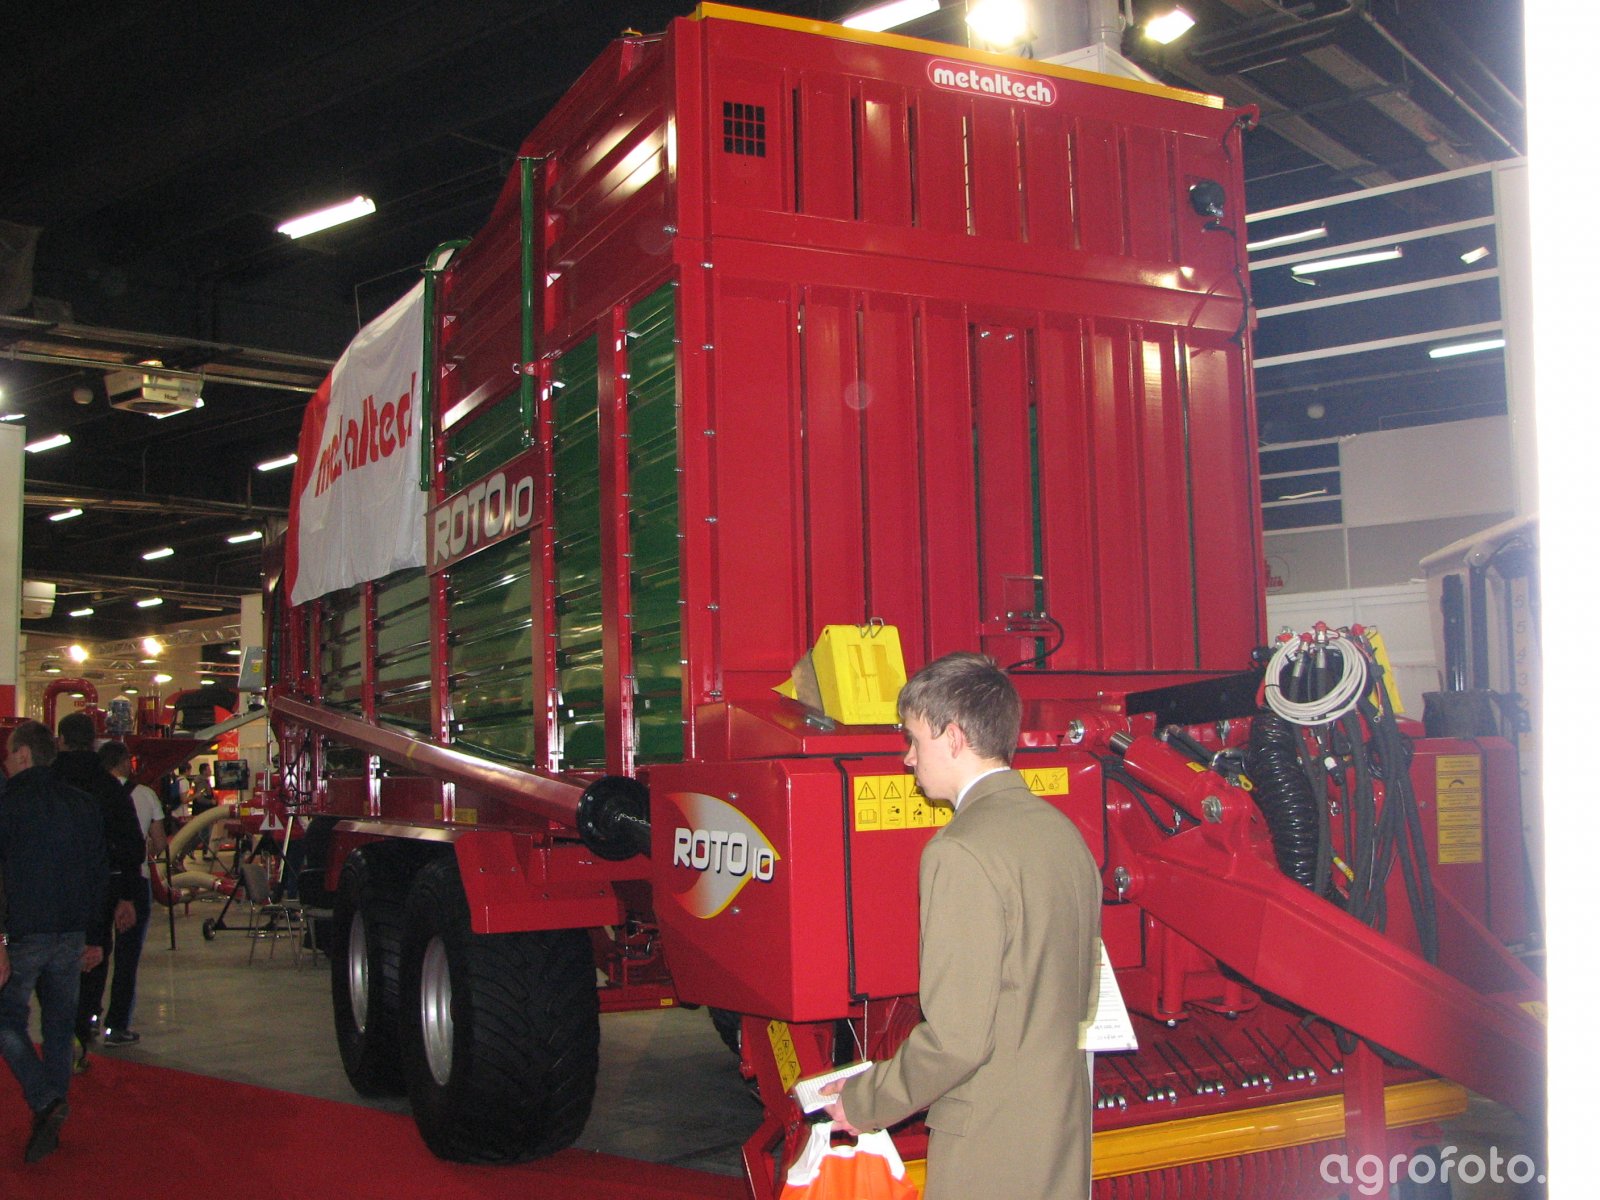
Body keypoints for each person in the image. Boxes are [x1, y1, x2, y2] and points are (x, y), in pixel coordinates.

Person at [822, 653, 1102, 1200]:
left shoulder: (959, 851)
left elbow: (956, 1041)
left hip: (990, 1147)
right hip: (1060, 1130)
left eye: (913, 739)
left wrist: (864, 1101)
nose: (907, 758)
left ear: (952, 737)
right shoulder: (1062, 834)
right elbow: (1080, 997)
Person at [0, 720, 109, 1163]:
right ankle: (51, 1116)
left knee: (6, 1018)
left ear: (23, 755)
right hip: (72, 933)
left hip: (25, 932)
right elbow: (98, 874)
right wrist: (96, 937)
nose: (5, 763)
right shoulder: (83, 805)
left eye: (8, 754)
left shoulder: (8, 806)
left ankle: (45, 1101)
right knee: (60, 1028)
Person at [52, 712, 142, 1070]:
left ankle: (61, 1032)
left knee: (53, 962)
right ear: (93, 742)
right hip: (101, 889)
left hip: (54, 889)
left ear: (60, 740)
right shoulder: (109, 787)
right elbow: (131, 844)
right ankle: (82, 1027)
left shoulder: (48, 780)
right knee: (93, 957)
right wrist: (127, 895)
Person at [90, 742, 165, 1046]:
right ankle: (117, 1025)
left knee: (96, 949)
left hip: (100, 882)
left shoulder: (91, 792)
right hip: (135, 881)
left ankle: (90, 1015)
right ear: (124, 763)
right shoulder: (145, 795)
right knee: (127, 957)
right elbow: (159, 842)